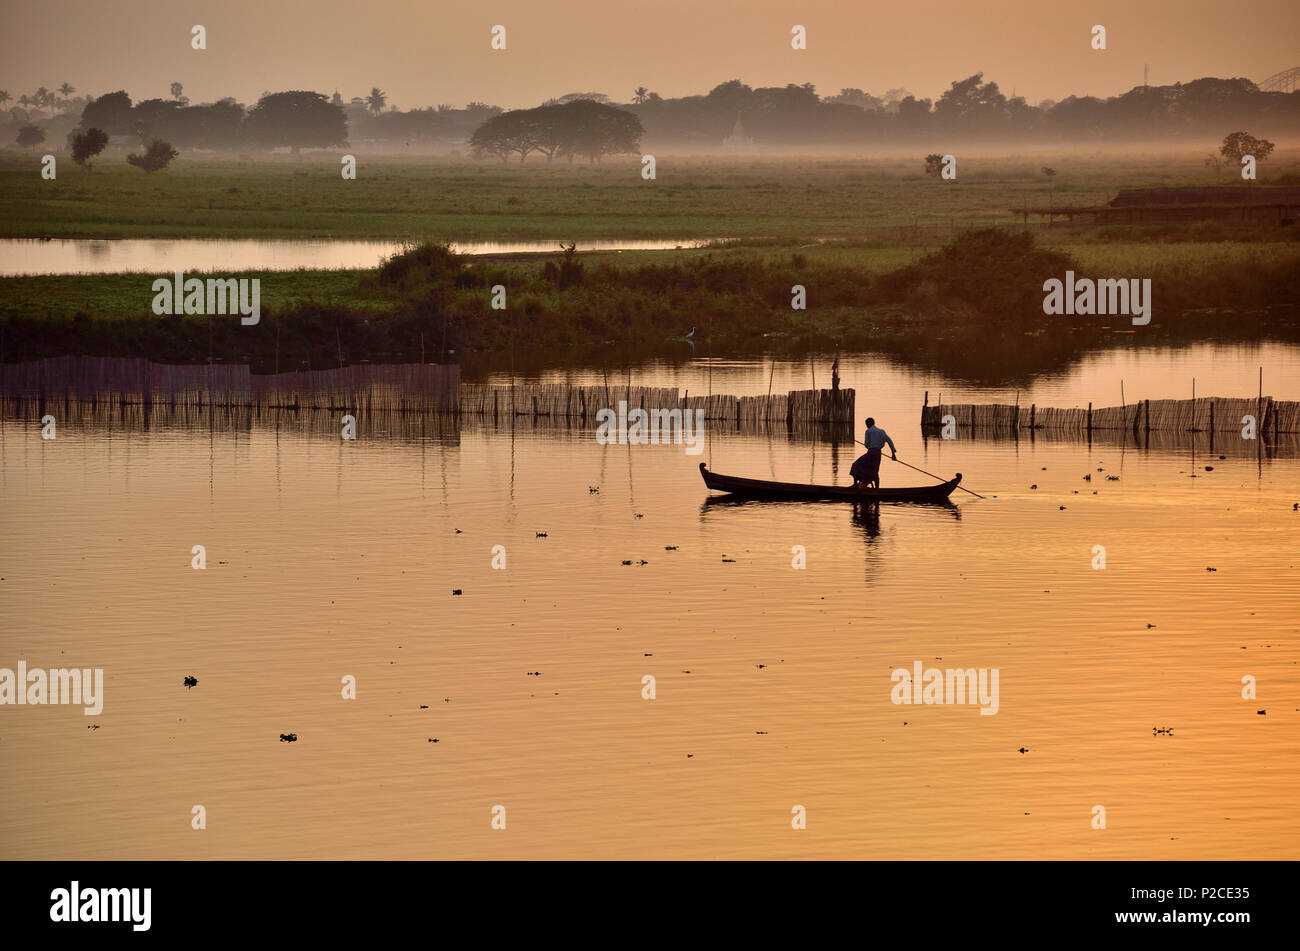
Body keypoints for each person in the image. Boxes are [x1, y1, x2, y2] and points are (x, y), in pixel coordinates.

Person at [850, 417, 896, 489]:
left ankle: (855, 484)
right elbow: (889, 441)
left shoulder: (868, 431)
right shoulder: (882, 431)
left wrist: (870, 446)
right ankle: (877, 489)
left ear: (867, 424)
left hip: (871, 453)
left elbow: (866, 444)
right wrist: (893, 454)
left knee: (856, 465)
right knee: (875, 471)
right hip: (878, 454)